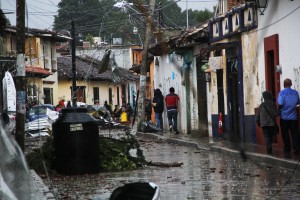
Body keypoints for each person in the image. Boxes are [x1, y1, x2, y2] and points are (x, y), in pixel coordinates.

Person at [278, 78, 300, 155]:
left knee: (285, 134)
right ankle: (296, 148)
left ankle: (287, 149)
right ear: (291, 84)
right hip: (294, 117)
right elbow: (297, 102)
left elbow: (280, 104)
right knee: (295, 133)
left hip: (284, 117)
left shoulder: (281, 93)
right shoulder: (295, 93)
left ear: (284, 85)